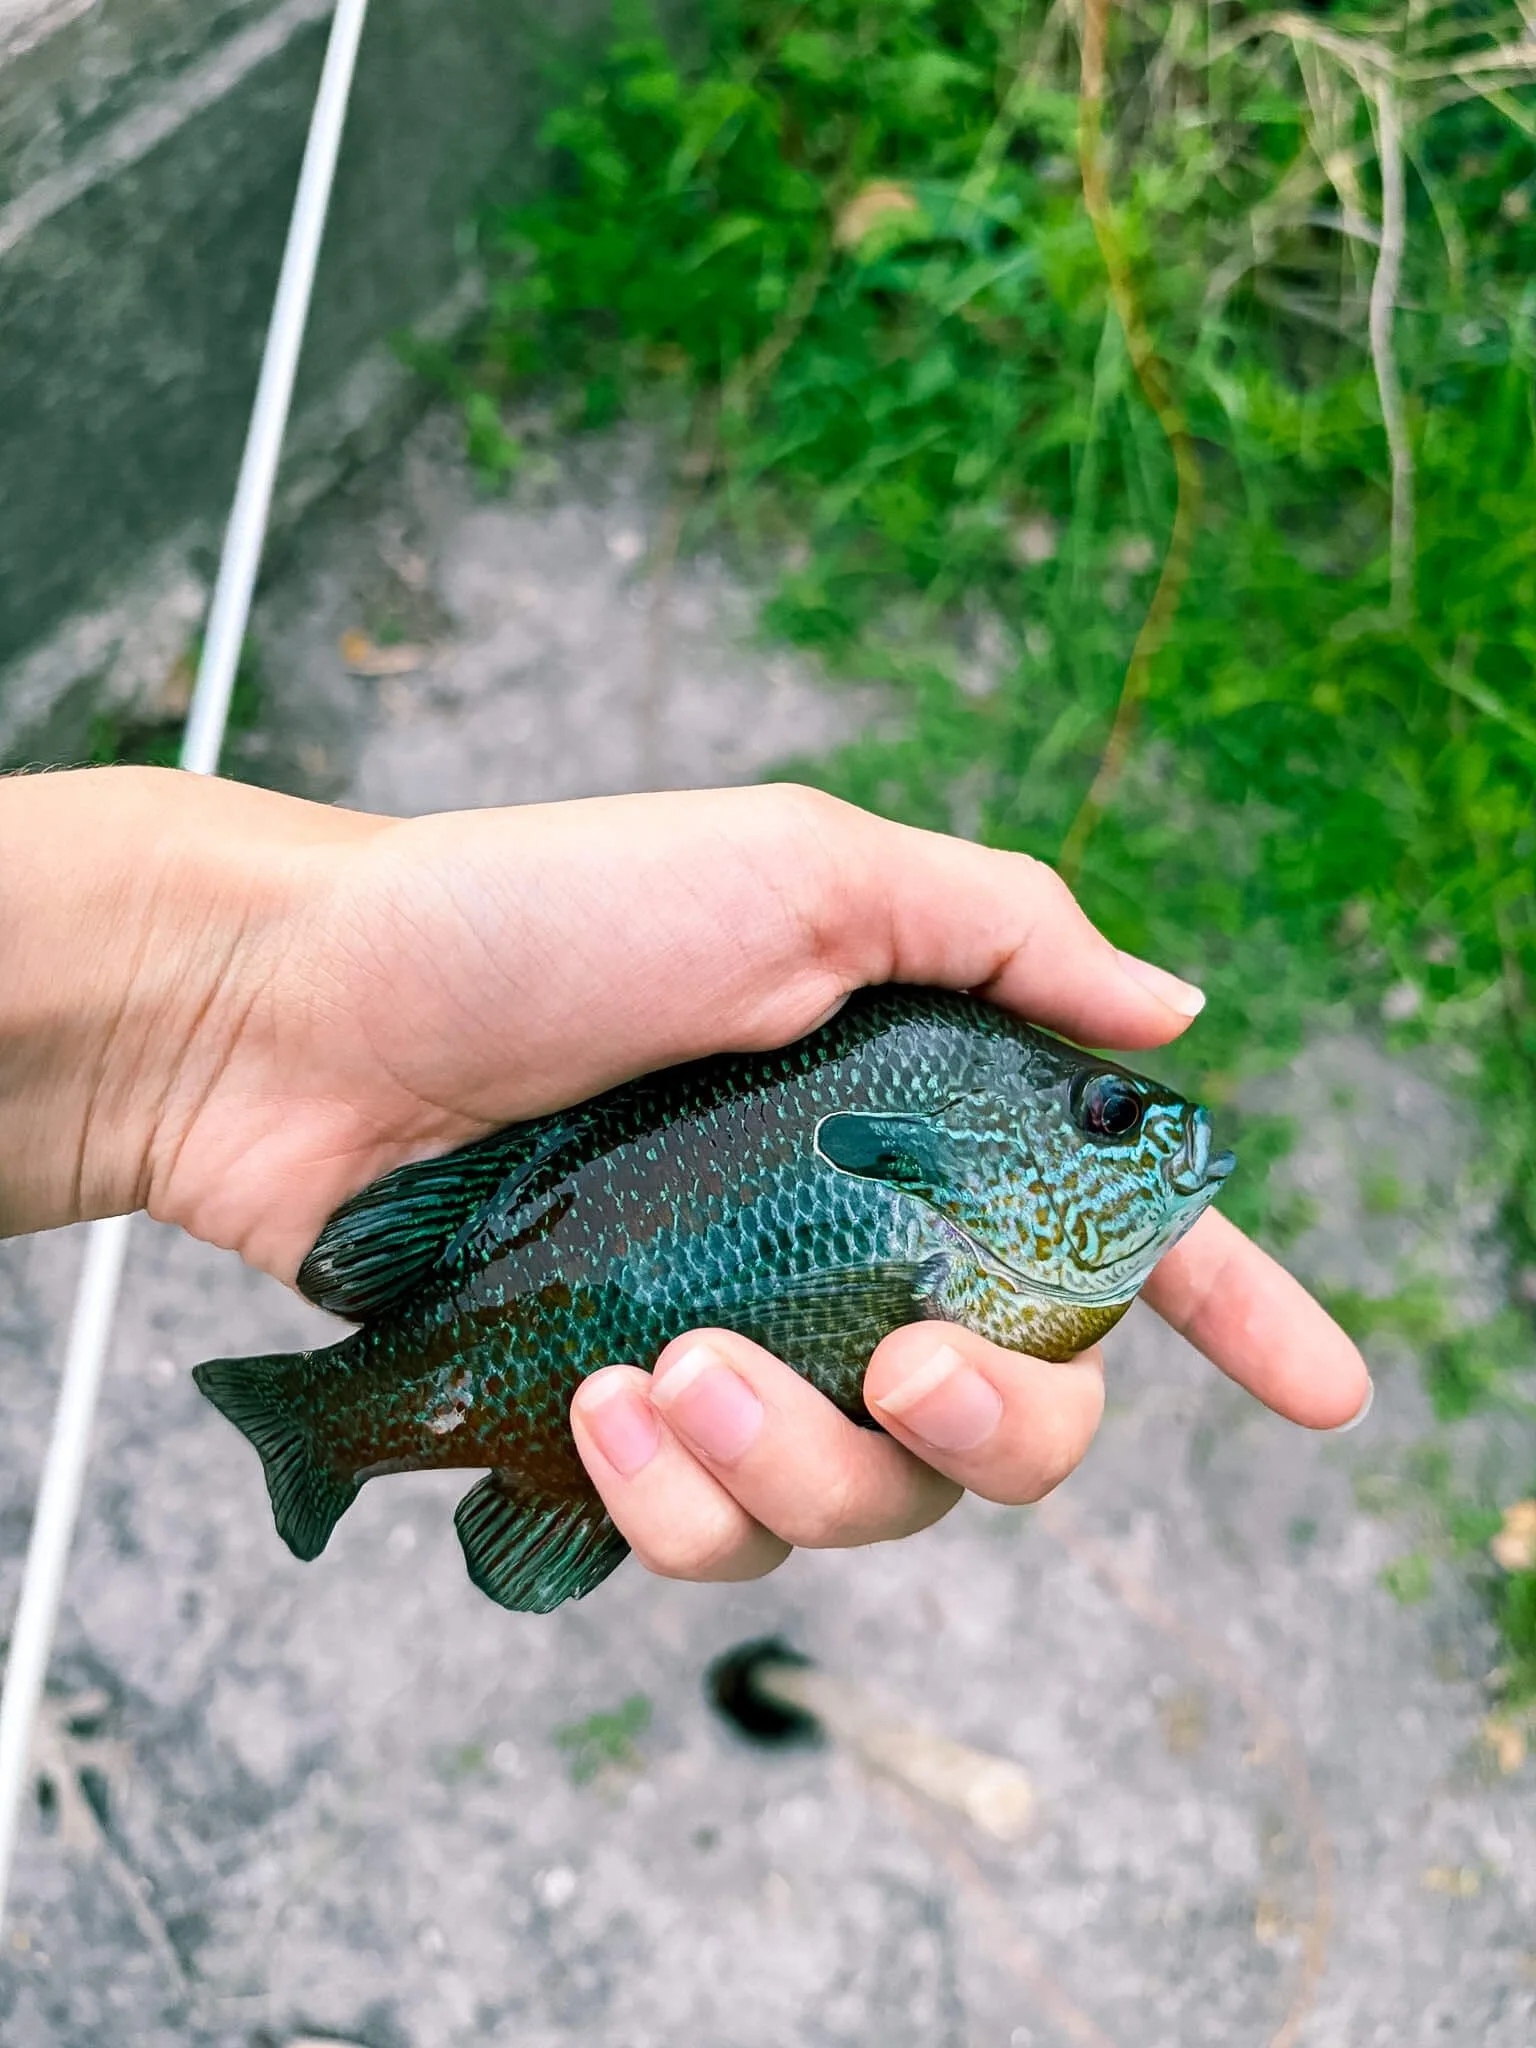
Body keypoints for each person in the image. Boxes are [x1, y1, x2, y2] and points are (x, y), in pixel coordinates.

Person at [0, 767, 1369, 1587]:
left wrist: (206, 1020)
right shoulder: (937, 1118)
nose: (1155, 1131)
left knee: (870, 1408)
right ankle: (329, 1424)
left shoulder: (967, 1193)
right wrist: (226, 1008)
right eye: (1110, 1115)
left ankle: (341, 1422)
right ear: (974, 1147)